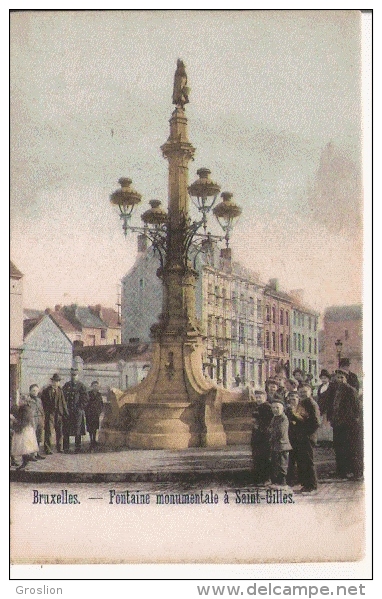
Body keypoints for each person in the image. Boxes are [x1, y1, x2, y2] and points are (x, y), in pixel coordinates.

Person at [331, 369, 362, 480]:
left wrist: (353, 420)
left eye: (342, 378)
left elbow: (357, 408)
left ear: (346, 378)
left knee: (351, 448)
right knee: (339, 447)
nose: (339, 380)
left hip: (348, 424)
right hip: (338, 423)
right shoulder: (336, 390)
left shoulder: (350, 390)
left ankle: (355, 473)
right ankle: (342, 471)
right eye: (337, 377)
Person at [290, 383, 321, 493]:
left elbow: (316, 422)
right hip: (300, 437)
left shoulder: (312, 404)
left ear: (310, 392)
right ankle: (305, 484)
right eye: (301, 392)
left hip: (307, 437)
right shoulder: (302, 403)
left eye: (305, 391)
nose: (303, 394)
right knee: (302, 461)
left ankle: (312, 485)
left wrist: (306, 433)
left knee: (308, 462)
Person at [41, 373, 68, 455]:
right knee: (49, 431)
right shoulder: (46, 391)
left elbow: (63, 402)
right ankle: (48, 449)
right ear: (51, 381)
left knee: (59, 431)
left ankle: (60, 448)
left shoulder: (60, 391)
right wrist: (46, 412)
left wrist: (66, 413)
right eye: (54, 381)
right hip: (50, 414)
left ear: (59, 382)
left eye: (57, 381)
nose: (56, 383)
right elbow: (43, 403)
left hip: (59, 414)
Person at [250, 390, 273, 485]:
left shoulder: (268, 407)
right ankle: (259, 479)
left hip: (265, 436)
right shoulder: (257, 407)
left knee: (265, 457)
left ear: (265, 398)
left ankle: (266, 479)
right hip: (257, 435)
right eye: (256, 397)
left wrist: (260, 427)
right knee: (257, 458)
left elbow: (269, 422)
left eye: (260, 397)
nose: (258, 399)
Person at [62, 368, 88, 453]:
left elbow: (85, 399)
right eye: (72, 375)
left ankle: (78, 447)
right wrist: (65, 408)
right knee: (66, 429)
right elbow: (63, 397)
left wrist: (80, 408)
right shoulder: (66, 385)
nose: (73, 377)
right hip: (68, 411)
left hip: (77, 412)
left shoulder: (81, 386)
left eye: (75, 375)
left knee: (78, 429)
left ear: (78, 375)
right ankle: (66, 447)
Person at [269, 397, 292, 487]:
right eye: (273, 408)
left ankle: (283, 482)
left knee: (282, 463)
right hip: (275, 445)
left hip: (282, 445)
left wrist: (271, 435)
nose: (275, 410)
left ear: (282, 408)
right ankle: (276, 481)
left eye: (277, 408)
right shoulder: (274, 418)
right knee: (275, 463)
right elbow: (271, 428)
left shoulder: (283, 419)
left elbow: (280, 432)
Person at [10, 403, 39, 470]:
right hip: (27, 431)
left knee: (23, 448)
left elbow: (21, 424)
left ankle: (26, 460)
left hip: (23, 432)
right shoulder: (27, 411)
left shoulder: (24, 411)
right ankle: (26, 460)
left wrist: (14, 420)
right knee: (25, 448)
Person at [24, 384, 45, 460]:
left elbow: (42, 410)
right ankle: (31, 455)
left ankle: (37, 453)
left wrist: (43, 419)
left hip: (39, 419)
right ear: (30, 391)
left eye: (36, 390)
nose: (35, 392)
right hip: (32, 420)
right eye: (33, 391)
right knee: (32, 437)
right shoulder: (27, 400)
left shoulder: (39, 400)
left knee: (39, 437)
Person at [85, 381, 104, 450]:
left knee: (95, 427)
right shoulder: (89, 394)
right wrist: (86, 411)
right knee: (90, 428)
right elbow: (86, 403)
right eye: (94, 385)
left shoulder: (99, 394)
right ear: (92, 386)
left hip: (96, 414)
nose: (96, 387)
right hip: (90, 413)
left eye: (97, 386)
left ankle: (94, 439)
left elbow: (101, 403)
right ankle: (91, 440)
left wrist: (100, 411)